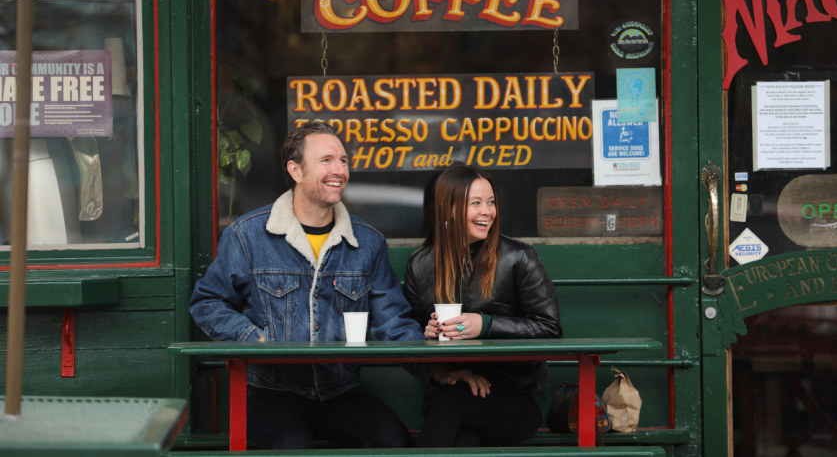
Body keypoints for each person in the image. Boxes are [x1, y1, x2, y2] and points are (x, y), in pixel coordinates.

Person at [189, 121, 423, 450]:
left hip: (340, 390)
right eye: (326, 160)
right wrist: (256, 338)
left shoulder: (368, 242)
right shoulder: (247, 235)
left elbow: (392, 321)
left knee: (396, 444)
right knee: (293, 448)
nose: (340, 170)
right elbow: (207, 302)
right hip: (272, 392)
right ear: (296, 170)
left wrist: (435, 370)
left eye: (343, 160)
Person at [403, 164, 562, 447]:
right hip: (454, 387)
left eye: (490, 202)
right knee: (464, 440)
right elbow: (412, 333)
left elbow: (550, 328)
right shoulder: (421, 265)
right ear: (448, 209)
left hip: (517, 395)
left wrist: (485, 324)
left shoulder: (519, 258)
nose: (487, 212)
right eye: (474, 203)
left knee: (450, 406)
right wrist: (427, 331)